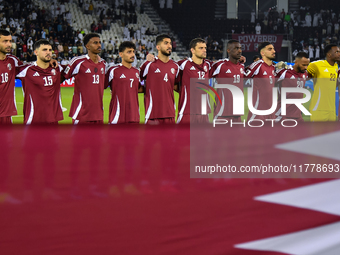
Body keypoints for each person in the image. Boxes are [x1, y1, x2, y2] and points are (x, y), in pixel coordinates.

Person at [16, 39, 64, 124]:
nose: (48, 52)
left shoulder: (57, 68)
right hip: (33, 120)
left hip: (53, 120)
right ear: (36, 52)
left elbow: (76, 69)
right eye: (44, 50)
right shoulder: (26, 70)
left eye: (50, 50)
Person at [63, 33, 106, 124]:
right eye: (95, 43)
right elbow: (61, 76)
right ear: (87, 46)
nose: (99, 45)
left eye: (99, 42)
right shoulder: (78, 62)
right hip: (81, 114)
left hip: (98, 115)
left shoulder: (103, 63)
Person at [140, 34, 179, 124]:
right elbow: (134, 80)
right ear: (158, 47)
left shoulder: (175, 66)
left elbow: (177, 86)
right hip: (153, 115)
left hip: (170, 115)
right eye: (166, 43)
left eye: (170, 43)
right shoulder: (148, 65)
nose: (169, 46)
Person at [105, 41, 143, 124]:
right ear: (121, 54)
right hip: (117, 116)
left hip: (134, 116)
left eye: (133, 52)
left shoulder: (137, 72)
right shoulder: (113, 71)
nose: (132, 54)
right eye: (129, 52)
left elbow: (138, 89)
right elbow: (100, 86)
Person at [176, 38, 212, 123]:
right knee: (182, 136)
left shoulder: (208, 65)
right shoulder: (182, 65)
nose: (204, 50)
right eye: (201, 48)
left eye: (205, 48)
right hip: (187, 112)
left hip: (204, 113)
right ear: (193, 50)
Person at [211, 39, 245, 122]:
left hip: (237, 113)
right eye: (236, 48)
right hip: (222, 113)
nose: (240, 51)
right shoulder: (220, 65)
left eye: (240, 48)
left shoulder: (241, 67)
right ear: (228, 51)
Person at [307, 44, 340, 121]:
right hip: (319, 110)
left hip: (332, 111)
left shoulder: (336, 67)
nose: (339, 54)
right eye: (337, 52)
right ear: (329, 55)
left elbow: (334, 85)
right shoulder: (317, 65)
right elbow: (302, 73)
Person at [275, 52, 310, 122]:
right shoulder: (284, 73)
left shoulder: (305, 73)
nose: (306, 67)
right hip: (283, 115)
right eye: (303, 65)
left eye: (307, 65)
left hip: (298, 115)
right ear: (296, 62)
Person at [245, 41, 276, 121]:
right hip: (258, 110)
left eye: (273, 49)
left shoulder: (273, 67)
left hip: (271, 111)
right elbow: (243, 76)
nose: (273, 51)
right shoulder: (258, 65)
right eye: (270, 49)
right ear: (263, 53)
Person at [0, 29, 23, 124]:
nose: (9, 44)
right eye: (5, 41)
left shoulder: (13, 61)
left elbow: (31, 69)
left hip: (6, 115)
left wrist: (48, 62)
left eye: (10, 41)